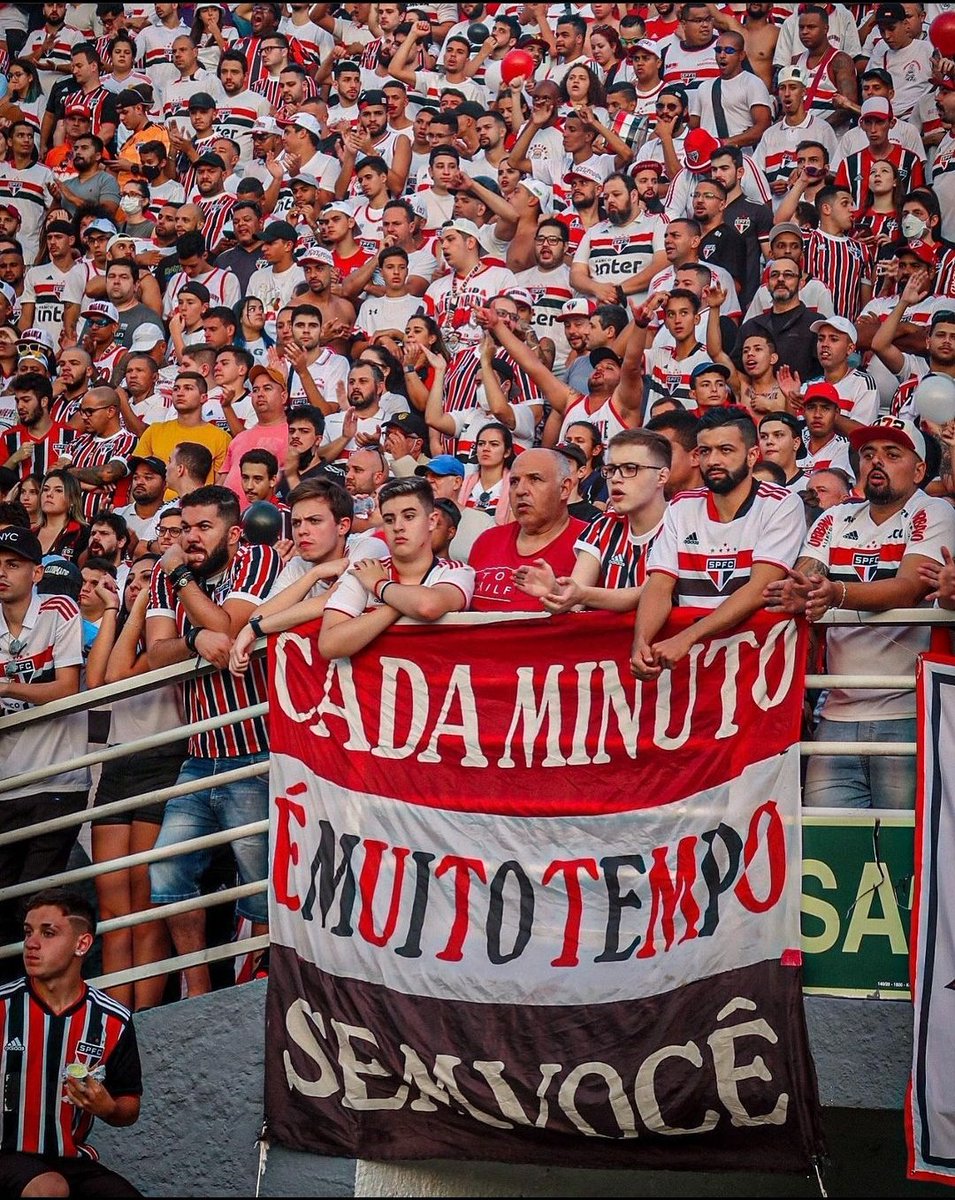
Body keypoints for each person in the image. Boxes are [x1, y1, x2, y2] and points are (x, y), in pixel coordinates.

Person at [766, 416, 955, 810]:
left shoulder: (933, 511)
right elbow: (805, 577)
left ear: (920, 469)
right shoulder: (834, 518)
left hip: (907, 711)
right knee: (832, 842)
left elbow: (908, 588)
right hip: (835, 712)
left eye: (892, 454)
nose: (876, 462)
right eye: (868, 454)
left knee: (901, 849)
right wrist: (804, 590)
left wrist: (836, 592)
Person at [145, 485, 280, 997]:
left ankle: (262, 986)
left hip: (255, 749)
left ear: (234, 532)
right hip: (199, 756)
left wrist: (181, 579)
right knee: (166, 871)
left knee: (257, 882)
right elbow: (158, 656)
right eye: (184, 528)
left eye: (204, 528)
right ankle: (199, 992)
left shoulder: (258, 559)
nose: (190, 538)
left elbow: (228, 625)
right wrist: (196, 641)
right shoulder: (170, 575)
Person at [631, 407, 806, 680]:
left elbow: (760, 588)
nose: (713, 460)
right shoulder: (681, 506)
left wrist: (687, 637)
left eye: (725, 450)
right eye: (705, 451)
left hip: (756, 665)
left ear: (751, 456)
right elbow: (660, 585)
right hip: (691, 668)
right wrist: (641, 641)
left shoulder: (781, 504)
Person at [87, 554, 186, 1012]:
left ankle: (141, 1018)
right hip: (117, 764)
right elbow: (96, 681)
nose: (139, 587)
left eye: (151, 579)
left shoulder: (169, 636)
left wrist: (150, 596)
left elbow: (119, 676)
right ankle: (112, 1018)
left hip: (162, 762)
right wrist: (116, 609)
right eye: (135, 580)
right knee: (112, 911)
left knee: (145, 907)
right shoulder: (126, 625)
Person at [0, 887, 143, 1199]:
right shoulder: (3, 1007)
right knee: (50, 1188)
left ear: (82, 943)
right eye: (28, 932)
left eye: (48, 933)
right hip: (5, 1154)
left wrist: (108, 1108)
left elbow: (129, 1104)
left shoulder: (112, 1021)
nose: (31, 944)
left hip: (71, 1161)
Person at [319, 476, 474, 659]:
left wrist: (379, 585)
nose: (398, 527)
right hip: (369, 686)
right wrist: (404, 604)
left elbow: (427, 606)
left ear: (432, 521)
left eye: (409, 517)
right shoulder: (365, 570)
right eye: (389, 519)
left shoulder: (457, 571)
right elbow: (329, 645)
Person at [517, 428, 670, 613]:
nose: (616, 479)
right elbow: (575, 602)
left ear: (662, 477)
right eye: (611, 469)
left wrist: (581, 594)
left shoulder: (681, 525)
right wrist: (556, 592)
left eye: (630, 469)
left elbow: (649, 594)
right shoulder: (602, 526)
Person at [469, 448, 586, 612]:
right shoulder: (487, 541)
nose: (520, 490)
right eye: (514, 482)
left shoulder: (589, 542)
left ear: (564, 488)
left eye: (535, 479)